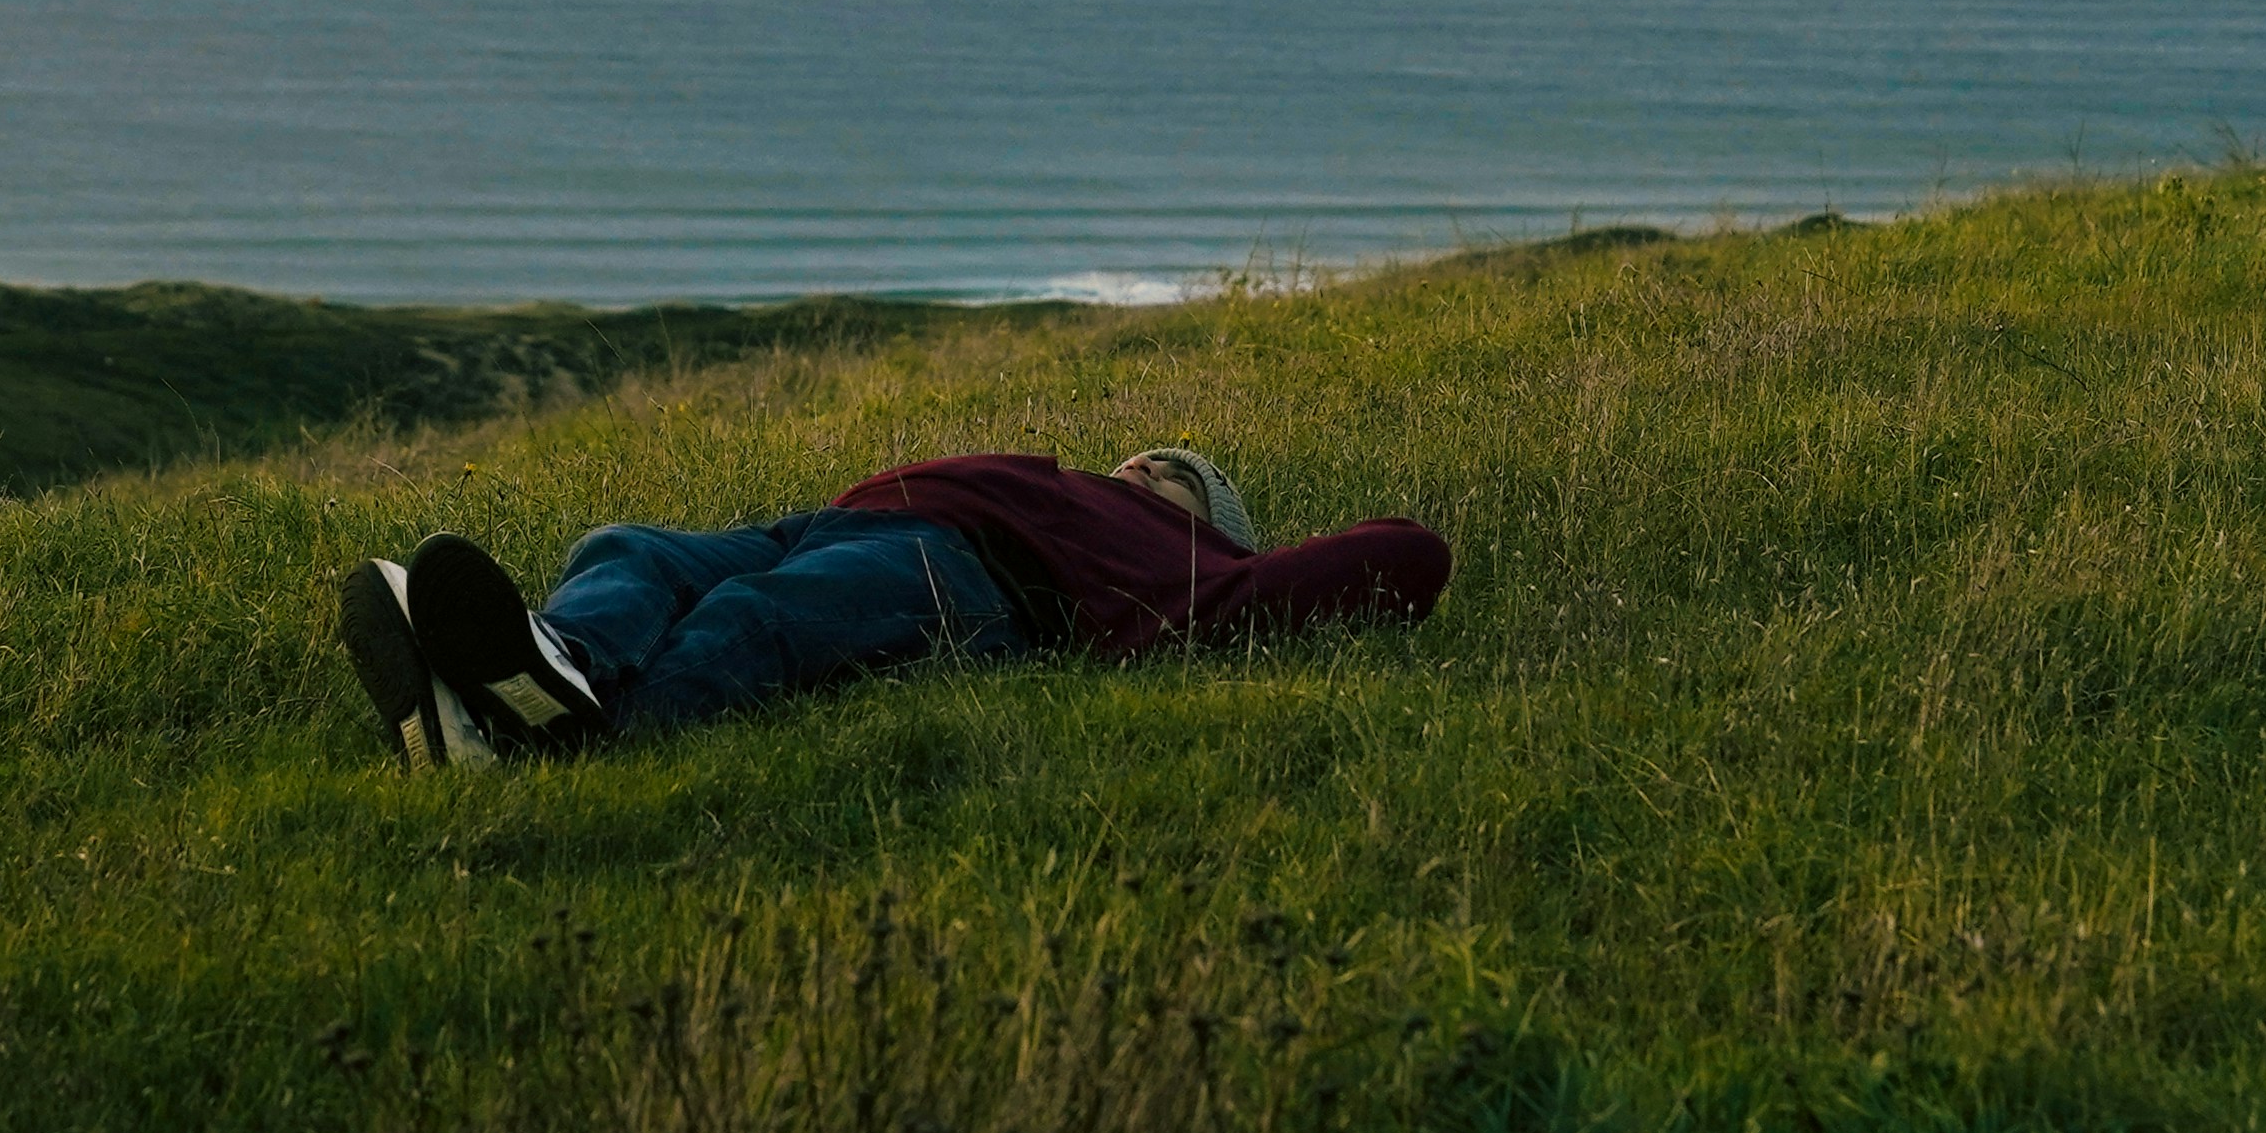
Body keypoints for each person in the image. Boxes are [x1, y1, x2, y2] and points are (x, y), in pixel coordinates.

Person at [329, 445, 1453, 762]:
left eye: (1172, 469)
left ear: (1207, 515)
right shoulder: (1068, 480)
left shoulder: (1200, 566)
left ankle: (564, 743)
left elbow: (1410, 554)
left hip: (969, 575)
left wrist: (1254, 565)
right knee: (626, 546)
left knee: (755, 617)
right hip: (841, 517)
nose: (1143, 463)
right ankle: (556, 660)